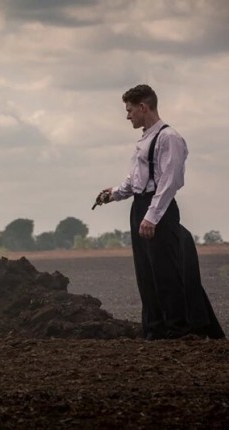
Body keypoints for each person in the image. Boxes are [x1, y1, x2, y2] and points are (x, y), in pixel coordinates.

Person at [96, 84, 224, 340]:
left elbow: (169, 181)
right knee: (146, 274)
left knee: (166, 273)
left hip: (158, 210)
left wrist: (151, 216)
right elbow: (136, 180)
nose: (127, 116)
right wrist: (114, 194)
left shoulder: (169, 138)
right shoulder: (145, 139)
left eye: (130, 110)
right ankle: (154, 331)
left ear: (143, 107)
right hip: (141, 207)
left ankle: (177, 332)